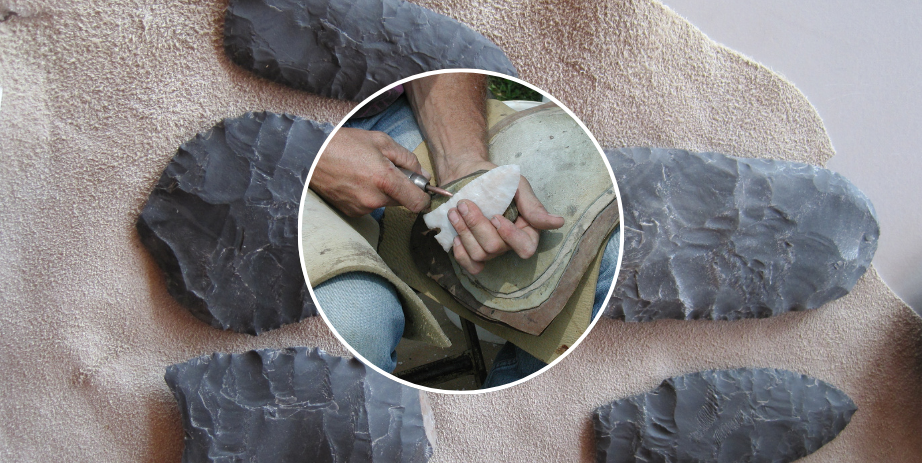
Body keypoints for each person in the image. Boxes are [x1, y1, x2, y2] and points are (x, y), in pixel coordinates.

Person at [309, 73, 618, 386]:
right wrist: (314, 155)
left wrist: (464, 163)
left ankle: (502, 422)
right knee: (356, 329)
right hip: (277, 154)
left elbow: (435, 50)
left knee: (615, 255)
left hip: (388, 111)